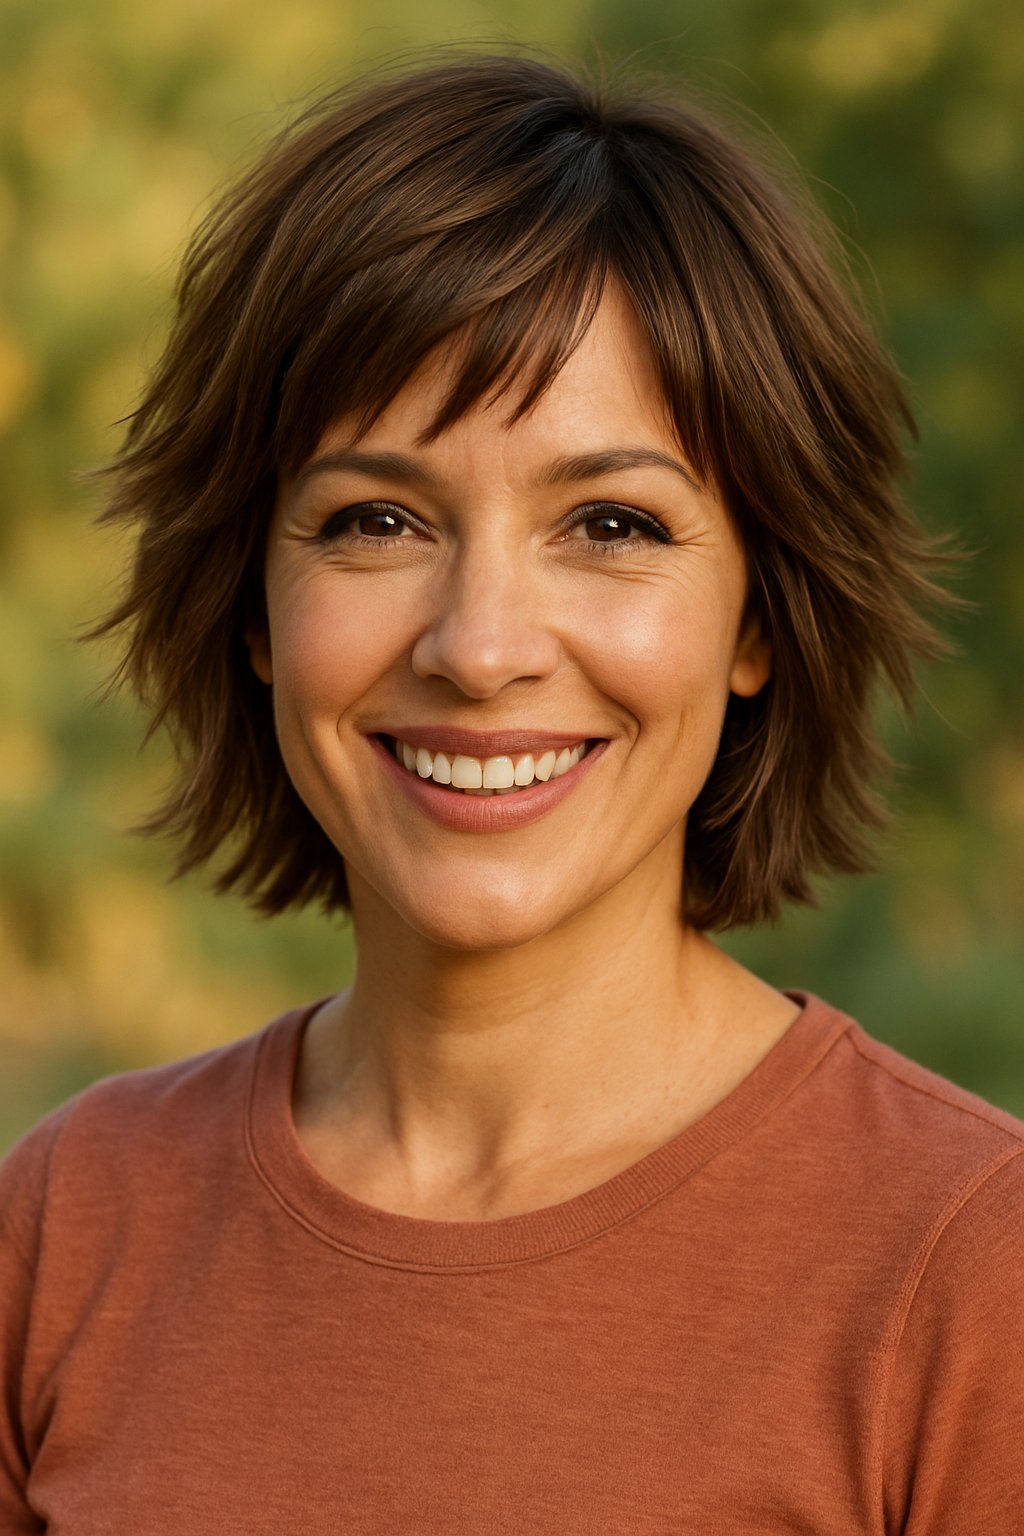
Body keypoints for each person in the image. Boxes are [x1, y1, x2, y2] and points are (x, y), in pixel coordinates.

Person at [1, 50, 1021, 1534]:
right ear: (252, 606)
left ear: (757, 615)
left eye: (611, 524)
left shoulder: (972, 1271)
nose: (480, 648)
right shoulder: (66, 1227)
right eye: (377, 521)